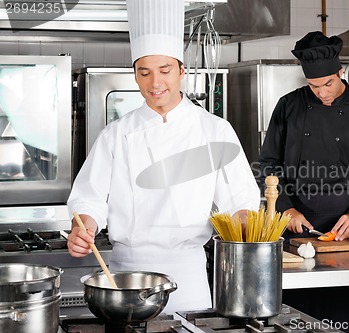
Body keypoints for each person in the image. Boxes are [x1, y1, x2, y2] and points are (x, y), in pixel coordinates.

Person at [66, 0, 260, 312]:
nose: (155, 83)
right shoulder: (116, 134)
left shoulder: (215, 131)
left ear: (182, 71)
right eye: (144, 73)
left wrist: (247, 222)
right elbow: (89, 200)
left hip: (188, 275)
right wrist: (83, 227)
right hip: (125, 275)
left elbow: (240, 202)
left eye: (165, 71)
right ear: (135, 76)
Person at [259, 31, 349, 332]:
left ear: (340, 72)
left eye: (328, 84)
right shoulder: (288, 107)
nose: (321, 92)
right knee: (293, 317)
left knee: (343, 317)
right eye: (314, 86)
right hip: (294, 230)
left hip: (343, 233)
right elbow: (268, 165)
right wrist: (285, 208)